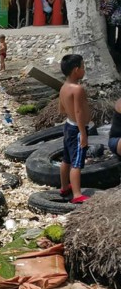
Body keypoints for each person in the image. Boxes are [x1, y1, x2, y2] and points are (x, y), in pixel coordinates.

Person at [58, 54, 90, 204]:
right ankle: (77, 194)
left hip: (68, 125)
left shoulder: (64, 87)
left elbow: (61, 109)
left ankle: (64, 187)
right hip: (77, 129)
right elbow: (78, 112)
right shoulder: (77, 89)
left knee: (66, 159)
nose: (84, 70)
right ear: (76, 70)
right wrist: (83, 133)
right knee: (76, 162)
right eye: (83, 67)